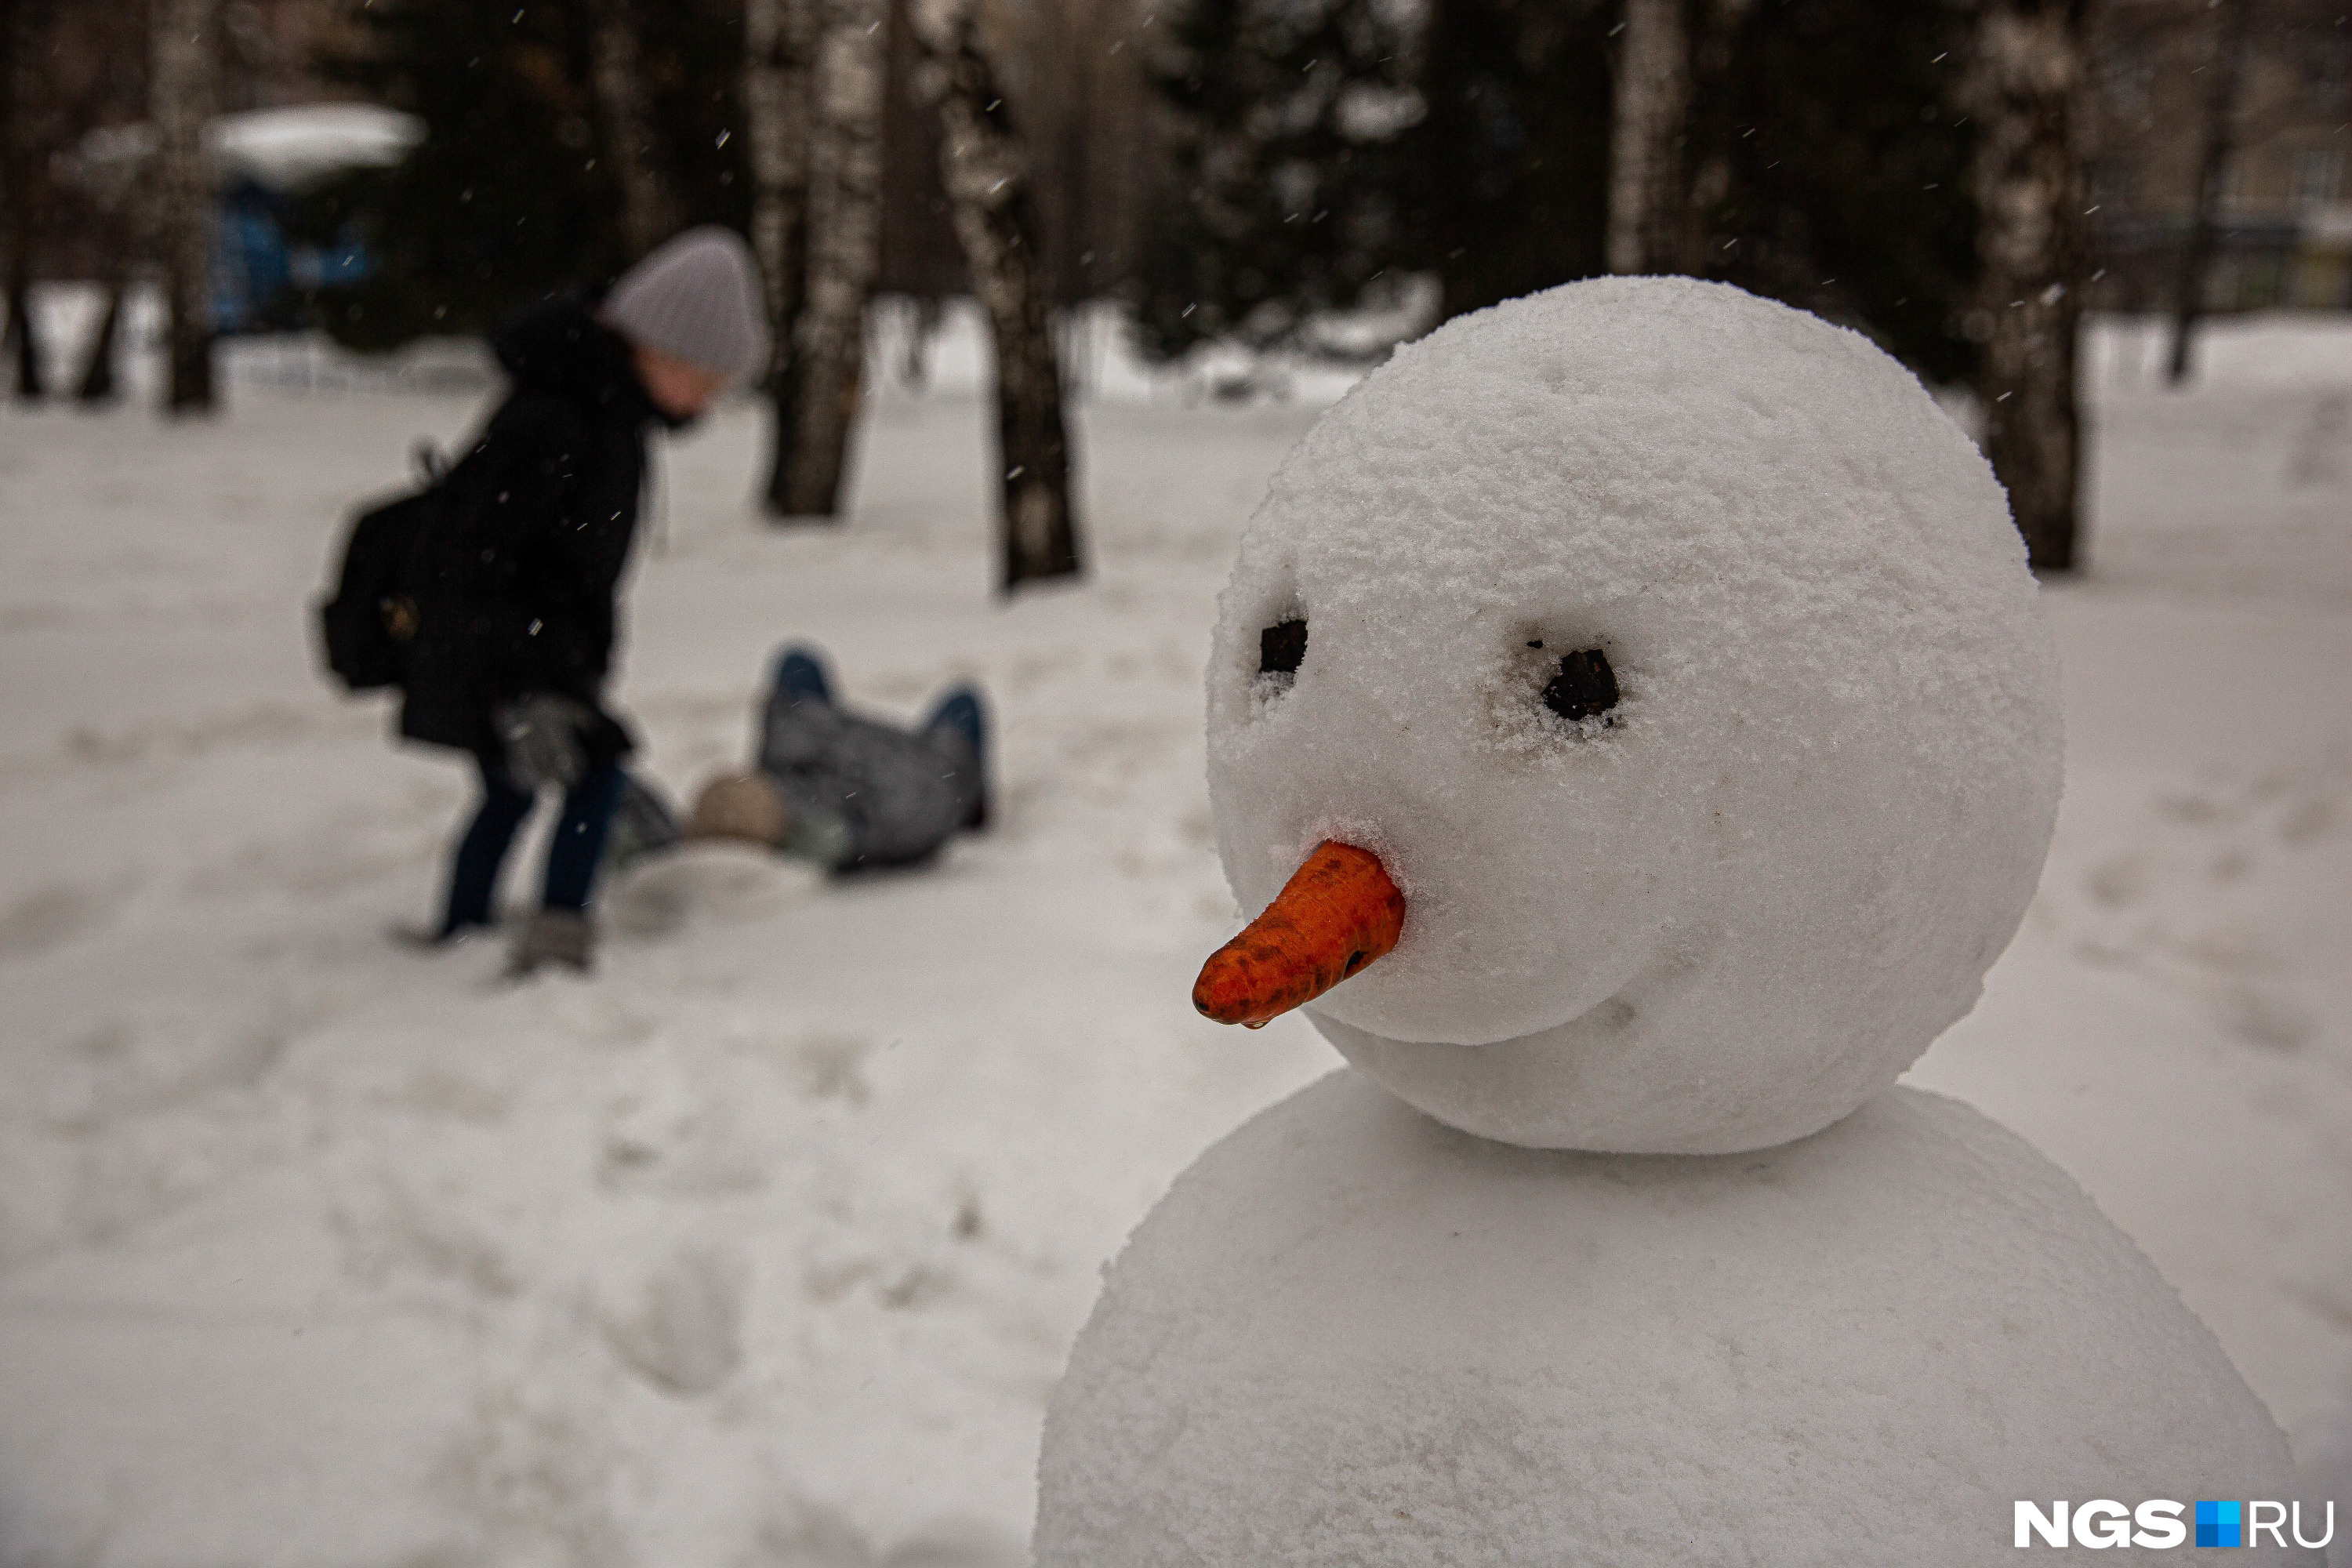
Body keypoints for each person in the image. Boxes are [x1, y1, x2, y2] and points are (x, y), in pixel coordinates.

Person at [399, 227, 768, 974]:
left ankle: (462, 928)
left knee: (512, 788)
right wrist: (522, 686)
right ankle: (558, 943)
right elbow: (479, 557)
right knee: (596, 776)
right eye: (703, 379)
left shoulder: (599, 406)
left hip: (535, 645)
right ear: (657, 349)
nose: (708, 401)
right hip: (513, 650)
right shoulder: (559, 418)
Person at [687, 645, 989, 872]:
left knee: (797, 666)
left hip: (851, 753)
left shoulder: (781, 759)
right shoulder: (858, 828)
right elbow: (929, 804)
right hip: (913, 764)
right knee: (964, 704)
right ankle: (976, 814)